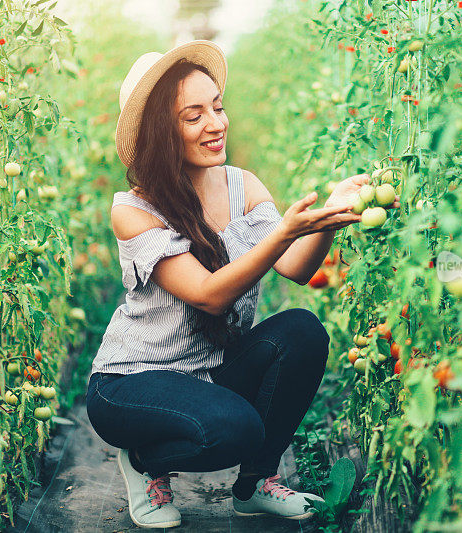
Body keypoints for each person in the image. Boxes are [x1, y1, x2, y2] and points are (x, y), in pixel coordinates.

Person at [85, 40, 368, 529]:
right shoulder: (133, 209)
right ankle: (143, 461)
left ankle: (254, 484)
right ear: (162, 132)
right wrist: (283, 232)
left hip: (210, 368)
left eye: (217, 107)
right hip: (132, 383)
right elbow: (210, 295)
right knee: (235, 430)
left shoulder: (241, 185)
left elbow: (297, 268)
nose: (216, 124)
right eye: (193, 116)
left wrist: (330, 218)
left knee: (302, 331)